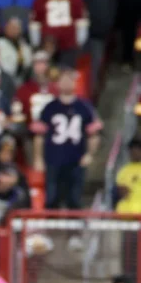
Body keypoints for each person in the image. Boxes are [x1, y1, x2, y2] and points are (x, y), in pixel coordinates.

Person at [32, 68, 101, 210]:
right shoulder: (49, 107)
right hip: (53, 158)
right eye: (62, 80)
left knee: (74, 199)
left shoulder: (84, 107)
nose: (66, 83)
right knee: (51, 198)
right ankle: (50, 229)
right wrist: (38, 158)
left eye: (69, 80)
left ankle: (74, 230)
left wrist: (89, 154)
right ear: (57, 84)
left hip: (76, 158)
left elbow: (93, 135)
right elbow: (39, 135)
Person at [114, 140, 141, 215]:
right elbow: (123, 191)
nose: (134, 153)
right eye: (131, 150)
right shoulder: (124, 170)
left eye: (137, 150)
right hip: (126, 211)